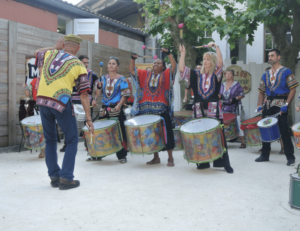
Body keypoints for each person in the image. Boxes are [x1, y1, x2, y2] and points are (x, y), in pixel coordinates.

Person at [35, 35, 94, 190]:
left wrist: (55, 47)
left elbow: (37, 52)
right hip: (60, 102)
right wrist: (89, 119)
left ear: (63, 44)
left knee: (50, 140)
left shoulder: (50, 54)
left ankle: (54, 176)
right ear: (78, 48)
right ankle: (66, 178)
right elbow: (84, 95)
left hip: (42, 101)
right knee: (72, 139)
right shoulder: (79, 64)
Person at [179, 42, 234, 174]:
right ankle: (203, 162)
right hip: (198, 109)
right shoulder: (196, 74)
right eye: (203, 59)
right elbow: (182, 69)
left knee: (218, 134)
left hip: (213, 108)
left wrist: (216, 47)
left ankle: (223, 163)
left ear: (212, 61)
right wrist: (183, 54)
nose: (205, 61)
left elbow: (221, 63)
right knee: (200, 135)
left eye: (208, 59)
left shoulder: (217, 74)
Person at [129, 49, 176, 167]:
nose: (155, 65)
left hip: (161, 110)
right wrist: (133, 59)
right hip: (147, 111)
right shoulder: (146, 74)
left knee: (166, 133)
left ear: (163, 67)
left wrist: (169, 54)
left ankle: (170, 157)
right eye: (154, 63)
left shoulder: (165, 75)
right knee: (152, 134)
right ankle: (156, 157)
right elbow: (131, 70)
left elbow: (174, 66)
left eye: (158, 63)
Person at [256, 49, 298, 166]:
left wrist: (286, 104)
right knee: (265, 129)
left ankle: (290, 157)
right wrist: (259, 105)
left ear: (279, 57)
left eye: (272, 55)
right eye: (269, 56)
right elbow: (261, 91)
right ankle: (265, 155)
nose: (270, 57)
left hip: (281, 104)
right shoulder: (266, 74)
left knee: (284, 130)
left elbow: (293, 89)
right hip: (268, 104)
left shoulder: (286, 71)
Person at [88, 57, 130, 163]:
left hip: (116, 107)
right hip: (104, 108)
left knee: (119, 131)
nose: (111, 65)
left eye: (114, 63)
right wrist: (96, 96)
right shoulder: (102, 78)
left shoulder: (122, 79)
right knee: (101, 131)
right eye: (109, 63)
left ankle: (122, 155)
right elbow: (98, 92)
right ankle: (98, 154)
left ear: (118, 66)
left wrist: (120, 105)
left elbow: (125, 94)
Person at [60, 55, 100, 152]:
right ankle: (67, 145)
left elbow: (98, 87)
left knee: (88, 122)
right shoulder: (72, 72)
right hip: (73, 101)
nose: (86, 64)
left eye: (87, 62)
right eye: (84, 62)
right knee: (69, 124)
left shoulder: (92, 74)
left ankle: (89, 144)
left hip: (86, 101)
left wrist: (95, 98)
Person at [258, 67, 285, 154]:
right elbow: (261, 93)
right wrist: (260, 105)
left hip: (279, 104)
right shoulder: (265, 81)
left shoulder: (280, 81)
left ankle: (283, 147)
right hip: (267, 105)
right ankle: (265, 148)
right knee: (265, 126)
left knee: (280, 126)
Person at [22, 64, 45, 158]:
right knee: (39, 129)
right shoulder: (34, 81)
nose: (42, 68)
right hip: (37, 107)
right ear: (39, 68)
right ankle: (42, 150)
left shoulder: (50, 80)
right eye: (41, 66)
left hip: (49, 107)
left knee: (47, 129)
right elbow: (28, 95)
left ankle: (47, 150)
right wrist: (25, 87)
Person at [219, 69, 246, 148]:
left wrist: (235, 98)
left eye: (229, 74)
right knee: (223, 123)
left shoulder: (237, 84)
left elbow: (242, 95)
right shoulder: (222, 85)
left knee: (238, 123)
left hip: (235, 106)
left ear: (233, 76)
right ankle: (223, 142)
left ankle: (243, 142)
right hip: (225, 107)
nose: (227, 75)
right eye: (226, 74)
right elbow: (220, 95)